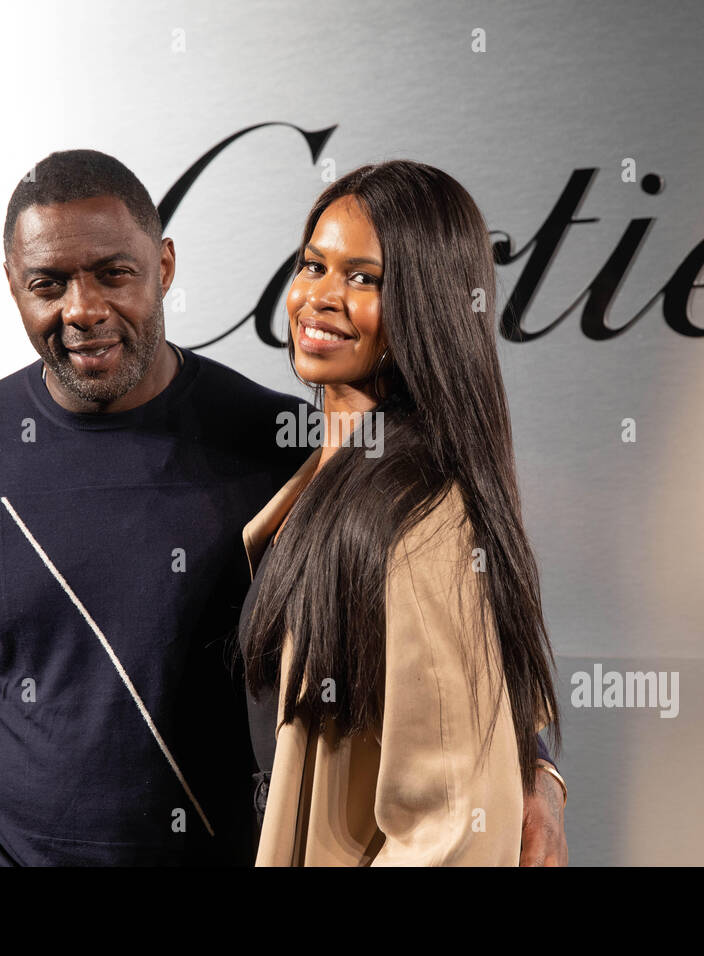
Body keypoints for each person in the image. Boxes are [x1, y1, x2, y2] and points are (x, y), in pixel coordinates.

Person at [0, 148, 565, 866]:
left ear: (163, 267)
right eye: (48, 283)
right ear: (11, 284)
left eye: (113, 273)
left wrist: (532, 771)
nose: (83, 310)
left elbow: (453, 651)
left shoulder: (290, 451)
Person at [240, 160, 566, 865]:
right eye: (313, 265)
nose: (320, 297)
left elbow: (453, 826)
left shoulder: (422, 523)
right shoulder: (314, 479)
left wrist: (538, 776)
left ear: (429, 304)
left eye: (364, 278)